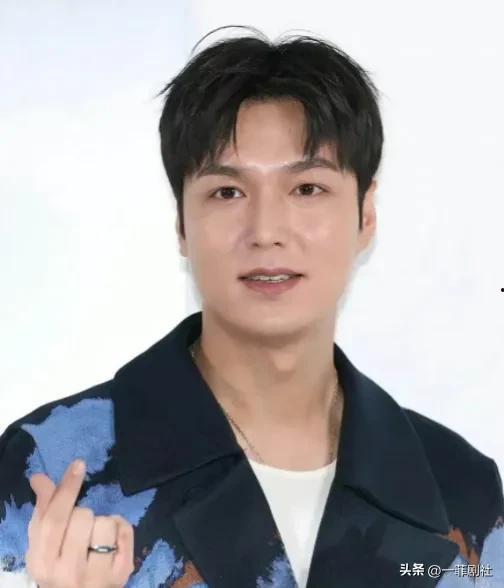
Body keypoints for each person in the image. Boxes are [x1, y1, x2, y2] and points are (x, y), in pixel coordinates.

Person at [0, 26, 502, 588]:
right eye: (227, 192)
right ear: (181, 224)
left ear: (366, 216)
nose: (266, 231)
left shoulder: (462, 491)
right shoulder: (46, 471)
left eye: (307, 189)